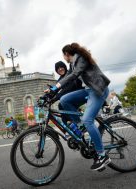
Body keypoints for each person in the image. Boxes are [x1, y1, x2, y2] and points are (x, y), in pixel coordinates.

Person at [47, 43, 111, 171]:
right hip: (89, 90)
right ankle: (80, 124)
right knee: (64, 100)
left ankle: (102, 155)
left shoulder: (80, 58)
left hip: (98, 90)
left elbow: (74, 75)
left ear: (66, 54)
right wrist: (52, 92)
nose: (64, 58)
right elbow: (67, 78)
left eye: (63, 56)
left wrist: (55, 88)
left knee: (88, 120)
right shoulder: (72, 63)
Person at [54, 61, 84, 125]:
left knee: (62, 104)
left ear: (64, 67)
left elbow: (68, 88)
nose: (60, 69)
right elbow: (55, 90)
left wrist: (56, 97)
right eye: (58, 68)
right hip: (71, 98)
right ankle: (68, 129)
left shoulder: (70, 74)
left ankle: (78, 124)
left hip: (80, 94)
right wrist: (47, 97)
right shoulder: (59, 80)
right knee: (61, 106)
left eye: (61, 67)